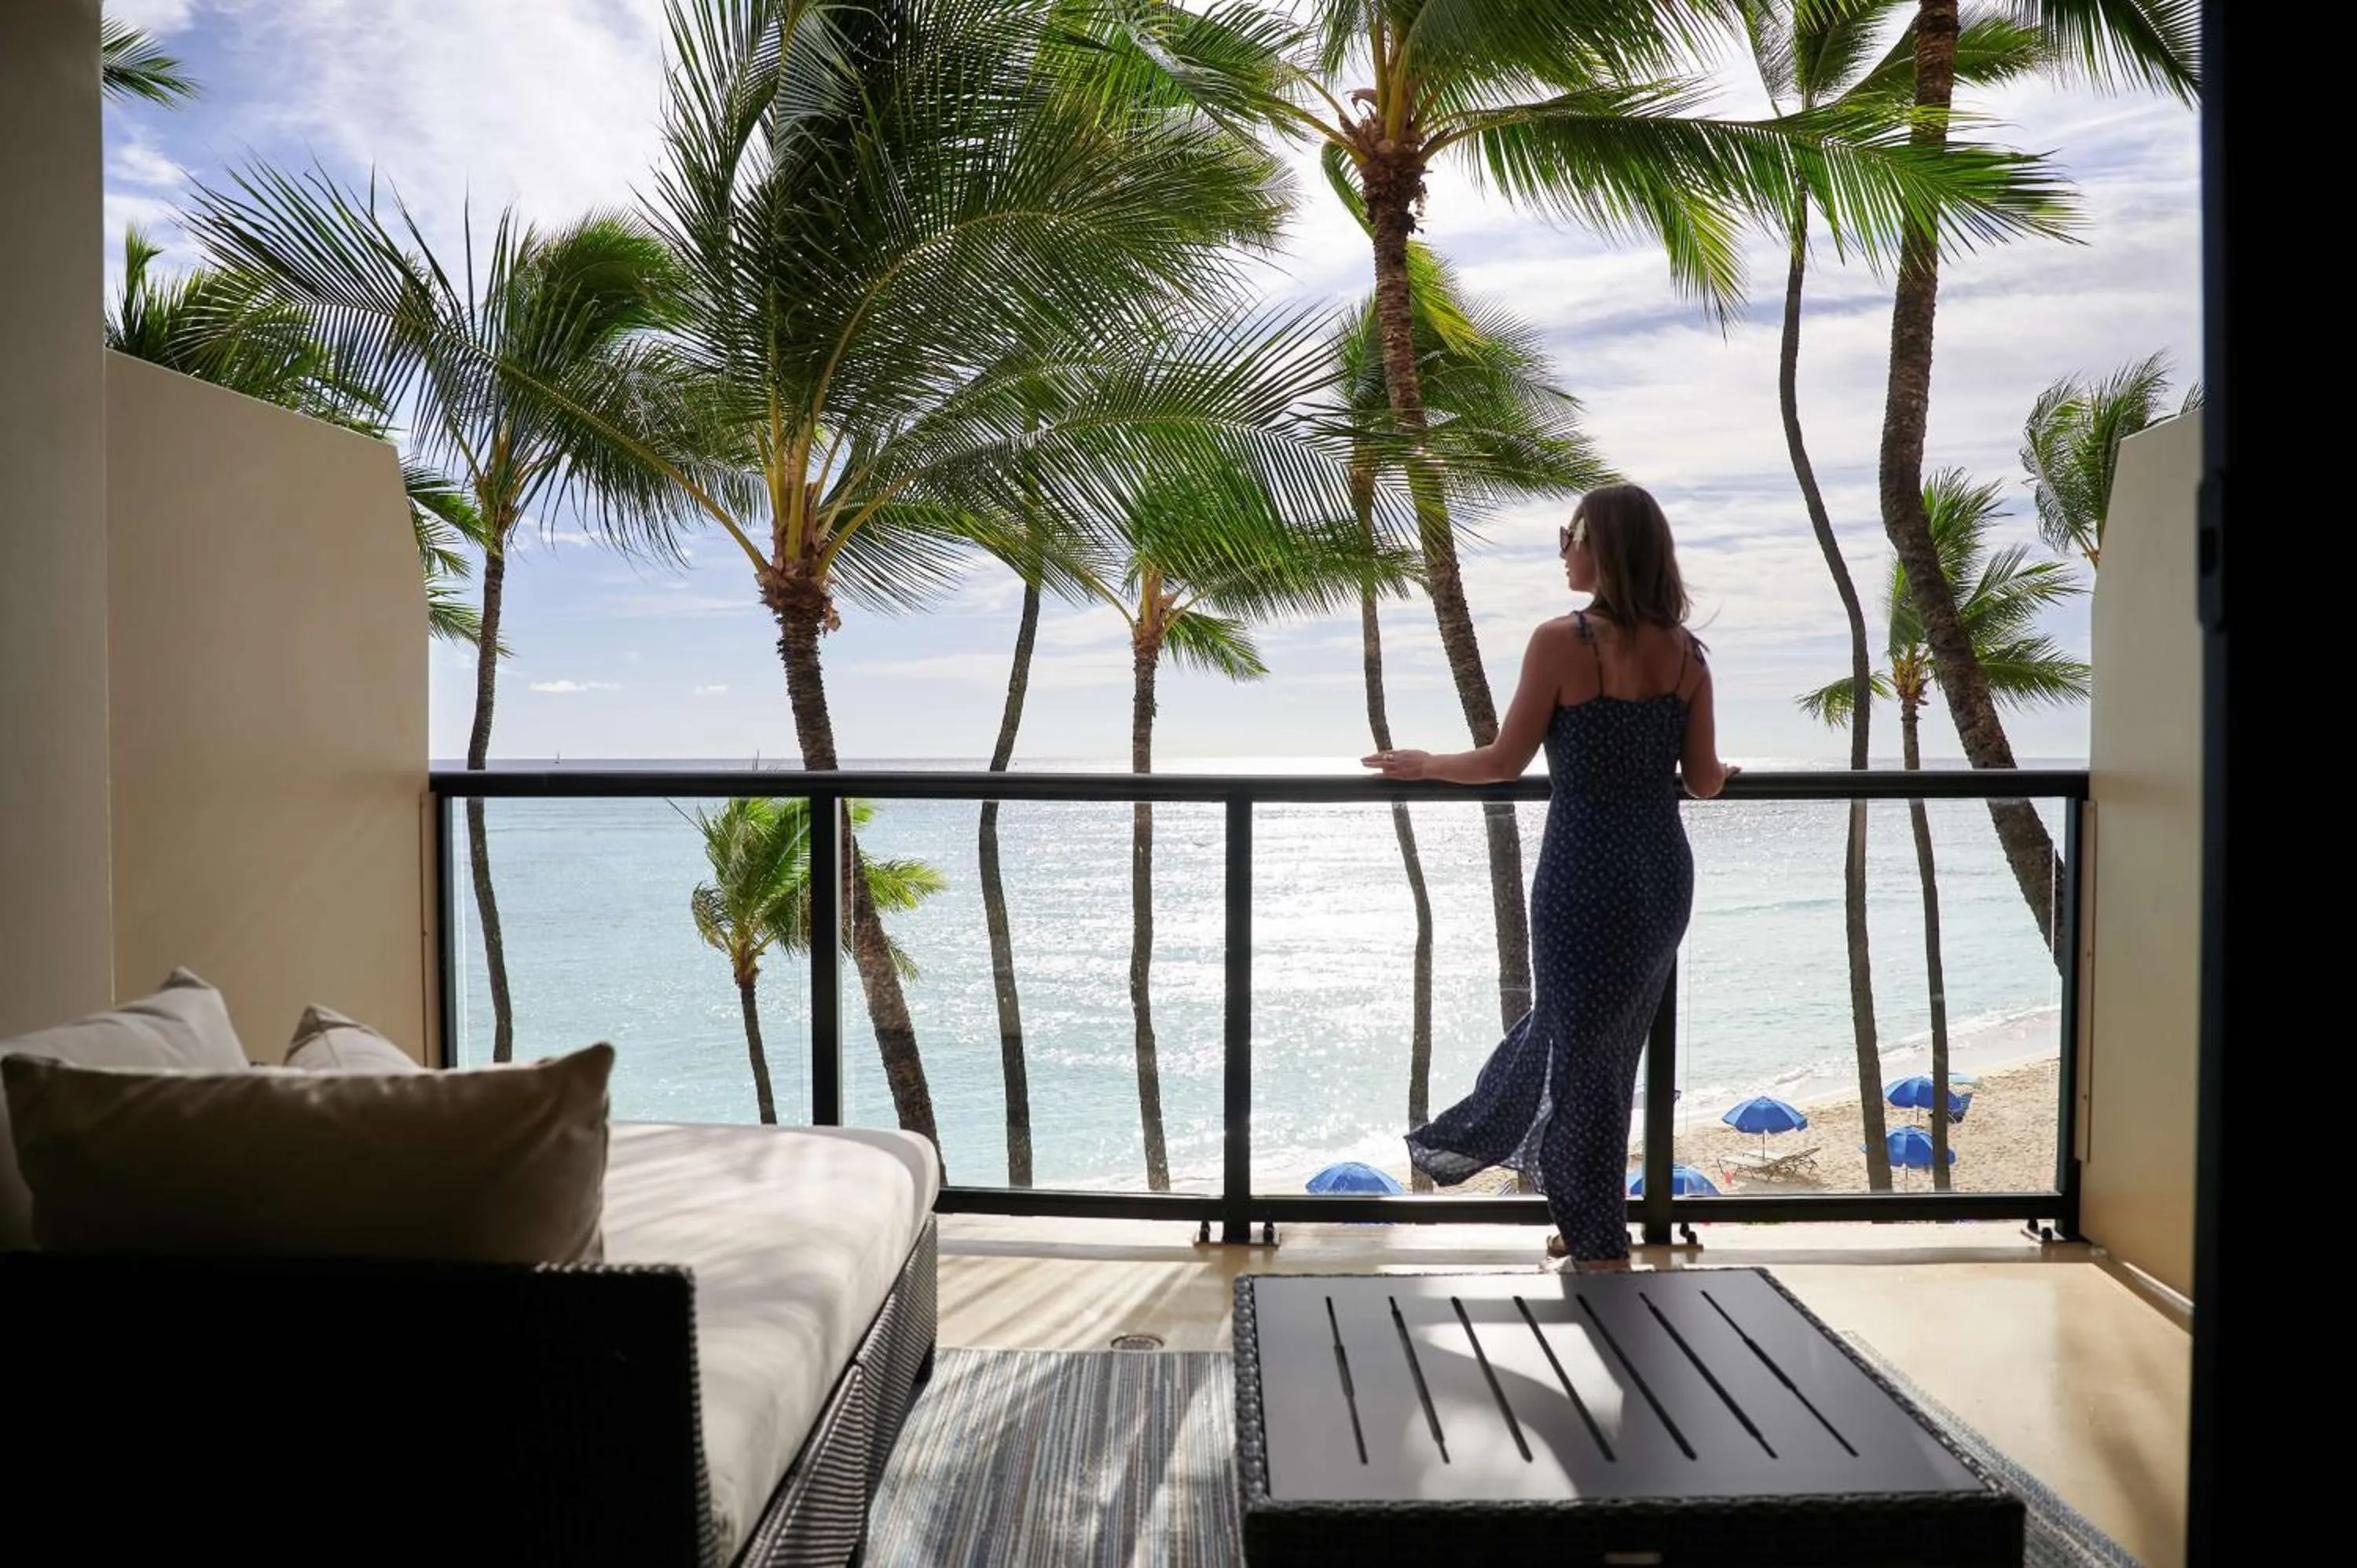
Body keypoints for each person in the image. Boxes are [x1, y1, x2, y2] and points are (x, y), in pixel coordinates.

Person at [1362, 484, 1736, 1270]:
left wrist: (1424, 765)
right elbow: (1703, 781)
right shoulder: (1687, 656)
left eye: (1571, 536)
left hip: (1580, 874)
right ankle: (1587, 1216)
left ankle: (1592, 1234)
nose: (1564, 550)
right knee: (1605, 1056)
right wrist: (1726, 772)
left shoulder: (1562, 641)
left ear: (1604, 549)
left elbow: (1505, 760)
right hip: (1658, 878)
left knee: (1575, 1048)